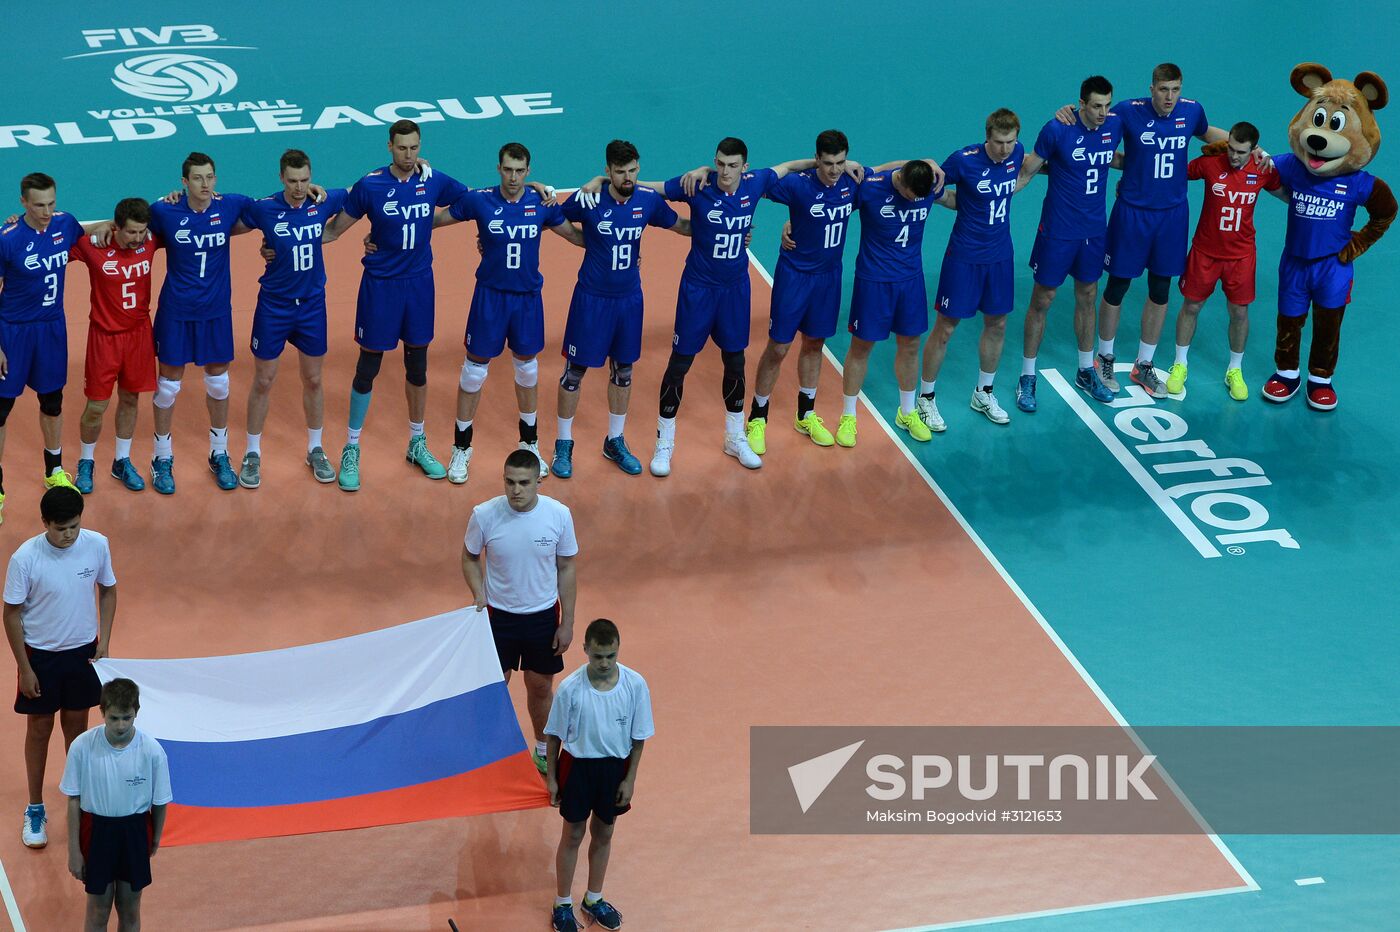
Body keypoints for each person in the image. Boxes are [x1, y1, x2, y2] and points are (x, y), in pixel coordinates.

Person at [580, 139, 858, 475]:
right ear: (715, 162)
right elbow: (650, 189)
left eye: (733, 165)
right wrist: (603, 181)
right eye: (720, 164)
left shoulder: (756, 183)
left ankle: (734, 436)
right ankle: (664, 443)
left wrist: (835, 165)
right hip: (698, 290)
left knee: (735, 362)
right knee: (680, 364)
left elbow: (788, 166)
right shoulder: (696, 185)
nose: (725, 172)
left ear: (745, 166)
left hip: (735, 290)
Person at [1067, 64, 1238, 399]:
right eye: (1163, 90)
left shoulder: (1191, 111)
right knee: (1117, 285)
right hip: (1132, 213)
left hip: (1172, 216)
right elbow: (1095, 129)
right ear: (1152, 88)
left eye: (1175, 89)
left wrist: (1245, 145)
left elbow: (1207, 134)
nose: (1169, 97)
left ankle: (1144, 364)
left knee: (1161, 289)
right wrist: (1068, 116)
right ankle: (1105, 357)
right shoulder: (1127, 113)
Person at [319, 119, 469, 491]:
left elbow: (471, 201)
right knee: (368, 365)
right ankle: (351, 448)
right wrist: (284, 243)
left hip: (419, 286)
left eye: (414, 147)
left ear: (420, 146)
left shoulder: (433, 180)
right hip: (381, 287)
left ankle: (417, 443)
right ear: (389, 146)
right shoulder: (371, 185)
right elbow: (335, 230)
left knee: (417, 365)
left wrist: (429, 223)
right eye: (401, 148)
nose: (408, 154)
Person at [437, 143, 581, 484]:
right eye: (507, 170)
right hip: (489, 297)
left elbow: (577, 236)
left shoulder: (541, 204)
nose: (513, 177)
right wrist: (382, 235)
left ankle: (529, 442)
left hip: (528, 300)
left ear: (528, 171)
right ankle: (461, 447)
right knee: (473, 372)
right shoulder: (480, 200)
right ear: (498, 168)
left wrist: (624, 250)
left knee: (528, 369)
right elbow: (433, 220)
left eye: (520, 171)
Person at [550, 140, 690, 479]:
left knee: (623, 372)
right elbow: (551, 216)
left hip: (629, 301)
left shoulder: (647, 200)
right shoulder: (589, 198)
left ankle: (614, 440)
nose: (627, 177)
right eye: (620, 171)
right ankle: (563, 444)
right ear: (608, 170)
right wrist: (579, 239)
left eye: (632, 170)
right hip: (591, 300)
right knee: (574, 374)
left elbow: (682, 226)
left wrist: (727, 228)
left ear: (638, 168)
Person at [2, 486, 116, 849]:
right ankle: (35, 808)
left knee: (77, 730)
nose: (68, 535)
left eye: (74, 527)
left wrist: (105, 640)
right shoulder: (25, 558)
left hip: (81, 654)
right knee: (39, 730)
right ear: (44, 523)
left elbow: (109, 589)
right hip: (41, 657)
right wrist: (24, 668)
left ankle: (79, 804)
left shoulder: (96, 544)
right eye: (61, 528)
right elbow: (11, 614)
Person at [143, 153, 257, 492]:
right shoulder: (164, 210)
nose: (205, 184)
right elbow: (130, 224)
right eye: (197, 178)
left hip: (216, 311)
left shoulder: (230, 205)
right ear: (183, 182)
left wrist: (315, 190)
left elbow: (272, 210)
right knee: (168, 387)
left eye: (210, 177)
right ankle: (161, 457)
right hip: (177, 311)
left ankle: (219, 453)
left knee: (219, 383)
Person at [235, 149, 349, 487]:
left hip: (312, 305)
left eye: (304, 180)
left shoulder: (324, 200)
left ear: (311, 176)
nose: (299, 187)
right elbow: (227, 220)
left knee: (314, 379)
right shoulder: (265, 208)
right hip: (274, 305)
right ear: (281, 178)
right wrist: (264, 247)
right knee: (264, 380)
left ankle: (315, 449)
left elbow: (362, 197)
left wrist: (421, 170)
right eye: (293, 181)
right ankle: (252, 453)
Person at [462, 449, 578, 774]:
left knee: (540, 686)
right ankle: (489, 749)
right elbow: (469, 557)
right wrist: (477, 593)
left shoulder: (558, 515)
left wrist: (566, 623)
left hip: (542, 617)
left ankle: (542, 749)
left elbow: (567, 568)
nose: (516, 490)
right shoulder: (484, 514)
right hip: (498, 618)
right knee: (494, 686)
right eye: (510, 482)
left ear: (538, 482)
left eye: (524, 483)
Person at [744, 129, 859, 456]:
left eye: (840, 162)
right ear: (817, 159)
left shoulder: (852, 183)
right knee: (779, 347)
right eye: (827, 163)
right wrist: (806, 166)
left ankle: (805, 414)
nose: (834, 170)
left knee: (814, 344)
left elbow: (890, 177)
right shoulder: (799, 184)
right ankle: (758, 417)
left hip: (829, 277)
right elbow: (760, 181)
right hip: (795, 276)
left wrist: (855, 165)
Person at [1014, 76, 1123, 411]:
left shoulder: (1115, 125)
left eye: (1107, 105)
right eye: (1095, 106)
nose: (1103, 112)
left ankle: (1086, 370)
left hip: (1093, 230)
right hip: (1058, 230)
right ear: (1080, 104)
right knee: (1042, 299)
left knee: (1087, 296)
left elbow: (1127, 154)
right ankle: (1027, 376)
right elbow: (1027, 171)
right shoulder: (1057, 129)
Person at [0, 173, 102, 520]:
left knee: (52, 403)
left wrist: (161, 205)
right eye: (39, 204)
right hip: (12, 332)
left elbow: (101, 229)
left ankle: (54, 470)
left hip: (51, 330)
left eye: (51, 203)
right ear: (23, 203)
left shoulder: (65, 224)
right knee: (1, 410)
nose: (47, 211)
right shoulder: (8, 239)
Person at [916, 109, 1026, 430]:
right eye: (999, 142)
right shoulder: (964, 160)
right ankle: (925, 398)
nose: (1005, 149)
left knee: (998, 324)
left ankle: (984, 392)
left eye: (1010, 141)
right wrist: (937, 190)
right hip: (964, 256)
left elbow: (1026, 169)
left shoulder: (1017, 154)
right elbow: (933, 180)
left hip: (1000, 256)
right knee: (946, 327)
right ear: (987, 136)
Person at [545, 618, 653, 932]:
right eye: (597, 656)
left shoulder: (635, 685)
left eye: (610, 656)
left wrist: (629, 779)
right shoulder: (570, 689)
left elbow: (638, 738)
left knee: (604, 834)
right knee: (573, 836)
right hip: (578, 768)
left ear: (617, 650)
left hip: (613, 770)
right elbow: (554, 736)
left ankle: (594, 898)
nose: (604, 663)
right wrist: (552, 778)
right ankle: (562, 903)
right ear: (585, 651)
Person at [1165, 123, 1282, 400]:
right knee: (1191, 306)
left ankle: (1235, 370)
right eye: (1230, 148)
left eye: (1241, 152)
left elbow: (1287, 196)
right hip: (1204, 252)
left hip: (1241, 256)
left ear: (1253, 150)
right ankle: (1180, 364)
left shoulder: (1263, 170)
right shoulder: (1208, 164)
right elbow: (1171, 176)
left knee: (1239, 313)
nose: (1234, 156)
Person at [835, 159, 941, 447]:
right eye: (910, 195)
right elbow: (834, 205)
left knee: (910, 346)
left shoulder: (929, 185)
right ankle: (848, 416)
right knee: (861, 347)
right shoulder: (869, 188)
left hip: (911, 282)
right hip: (874, 282)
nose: (915, 200)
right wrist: (794, 221)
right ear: (901, 182)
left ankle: (907, 412)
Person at [61, 677, 171, 932]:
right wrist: (74, 850)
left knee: (130, 908)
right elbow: (73, 799)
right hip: (97, 831)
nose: (120, 725)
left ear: (136, 713)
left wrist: (154, 839)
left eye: (127, 717)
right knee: (98, 910)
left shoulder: (152, 751)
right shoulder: (81, 747)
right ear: (102, 713)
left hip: (135, 832)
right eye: (113, 718)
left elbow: (160, 801)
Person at [69, 198, 160, 494]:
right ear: (116, 227)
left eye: (141, 232)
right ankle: (86, 461)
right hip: (104, 338)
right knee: (96, 406)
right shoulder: (91, 247)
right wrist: (98, 226)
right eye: (131, 232)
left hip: (139, 336)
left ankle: (122, 460)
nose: (137, 239)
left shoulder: (150, 240)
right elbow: (63, 233)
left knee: (131, 399)